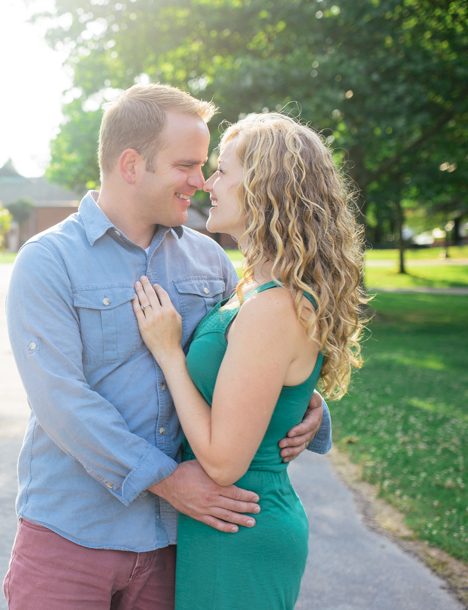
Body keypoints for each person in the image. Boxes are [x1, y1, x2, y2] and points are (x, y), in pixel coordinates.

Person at [4, 83, 332, 610]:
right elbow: (61, 400)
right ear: (132, 165)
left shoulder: (211, 261)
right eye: (187, 165)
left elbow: (251, 359)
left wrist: (310, 407)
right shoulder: (48, 261)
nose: (200, 183)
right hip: (71, 535)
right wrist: (168, 481)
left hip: (176, 546)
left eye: (208, 166)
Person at [131, 112, 366, 610]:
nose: (208, 184)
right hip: (227, 525)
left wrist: (170, 353)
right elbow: (268, 384)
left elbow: (221, 461)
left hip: (241, 528)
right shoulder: (256, 290)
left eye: (223, 170)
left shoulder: (273, 308)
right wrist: (309, 401)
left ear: (264, 186)